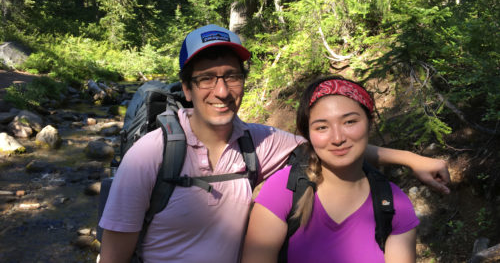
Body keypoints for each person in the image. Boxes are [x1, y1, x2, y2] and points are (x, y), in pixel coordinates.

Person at [98, 24, 449, 263]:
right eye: (206, 79)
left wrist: (410, 159)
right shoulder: (150, 156)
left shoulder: (259, 141)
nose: (221, 91)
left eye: (232, 76)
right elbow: (113, 256)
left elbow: (331, 144)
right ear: (187, 89)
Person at [242, 76, 419, 263]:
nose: (337, 138)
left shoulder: (394, 204)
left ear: (370, 122)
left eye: (349, 122)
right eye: (322, 127)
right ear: (308, 134)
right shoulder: (285, 188)